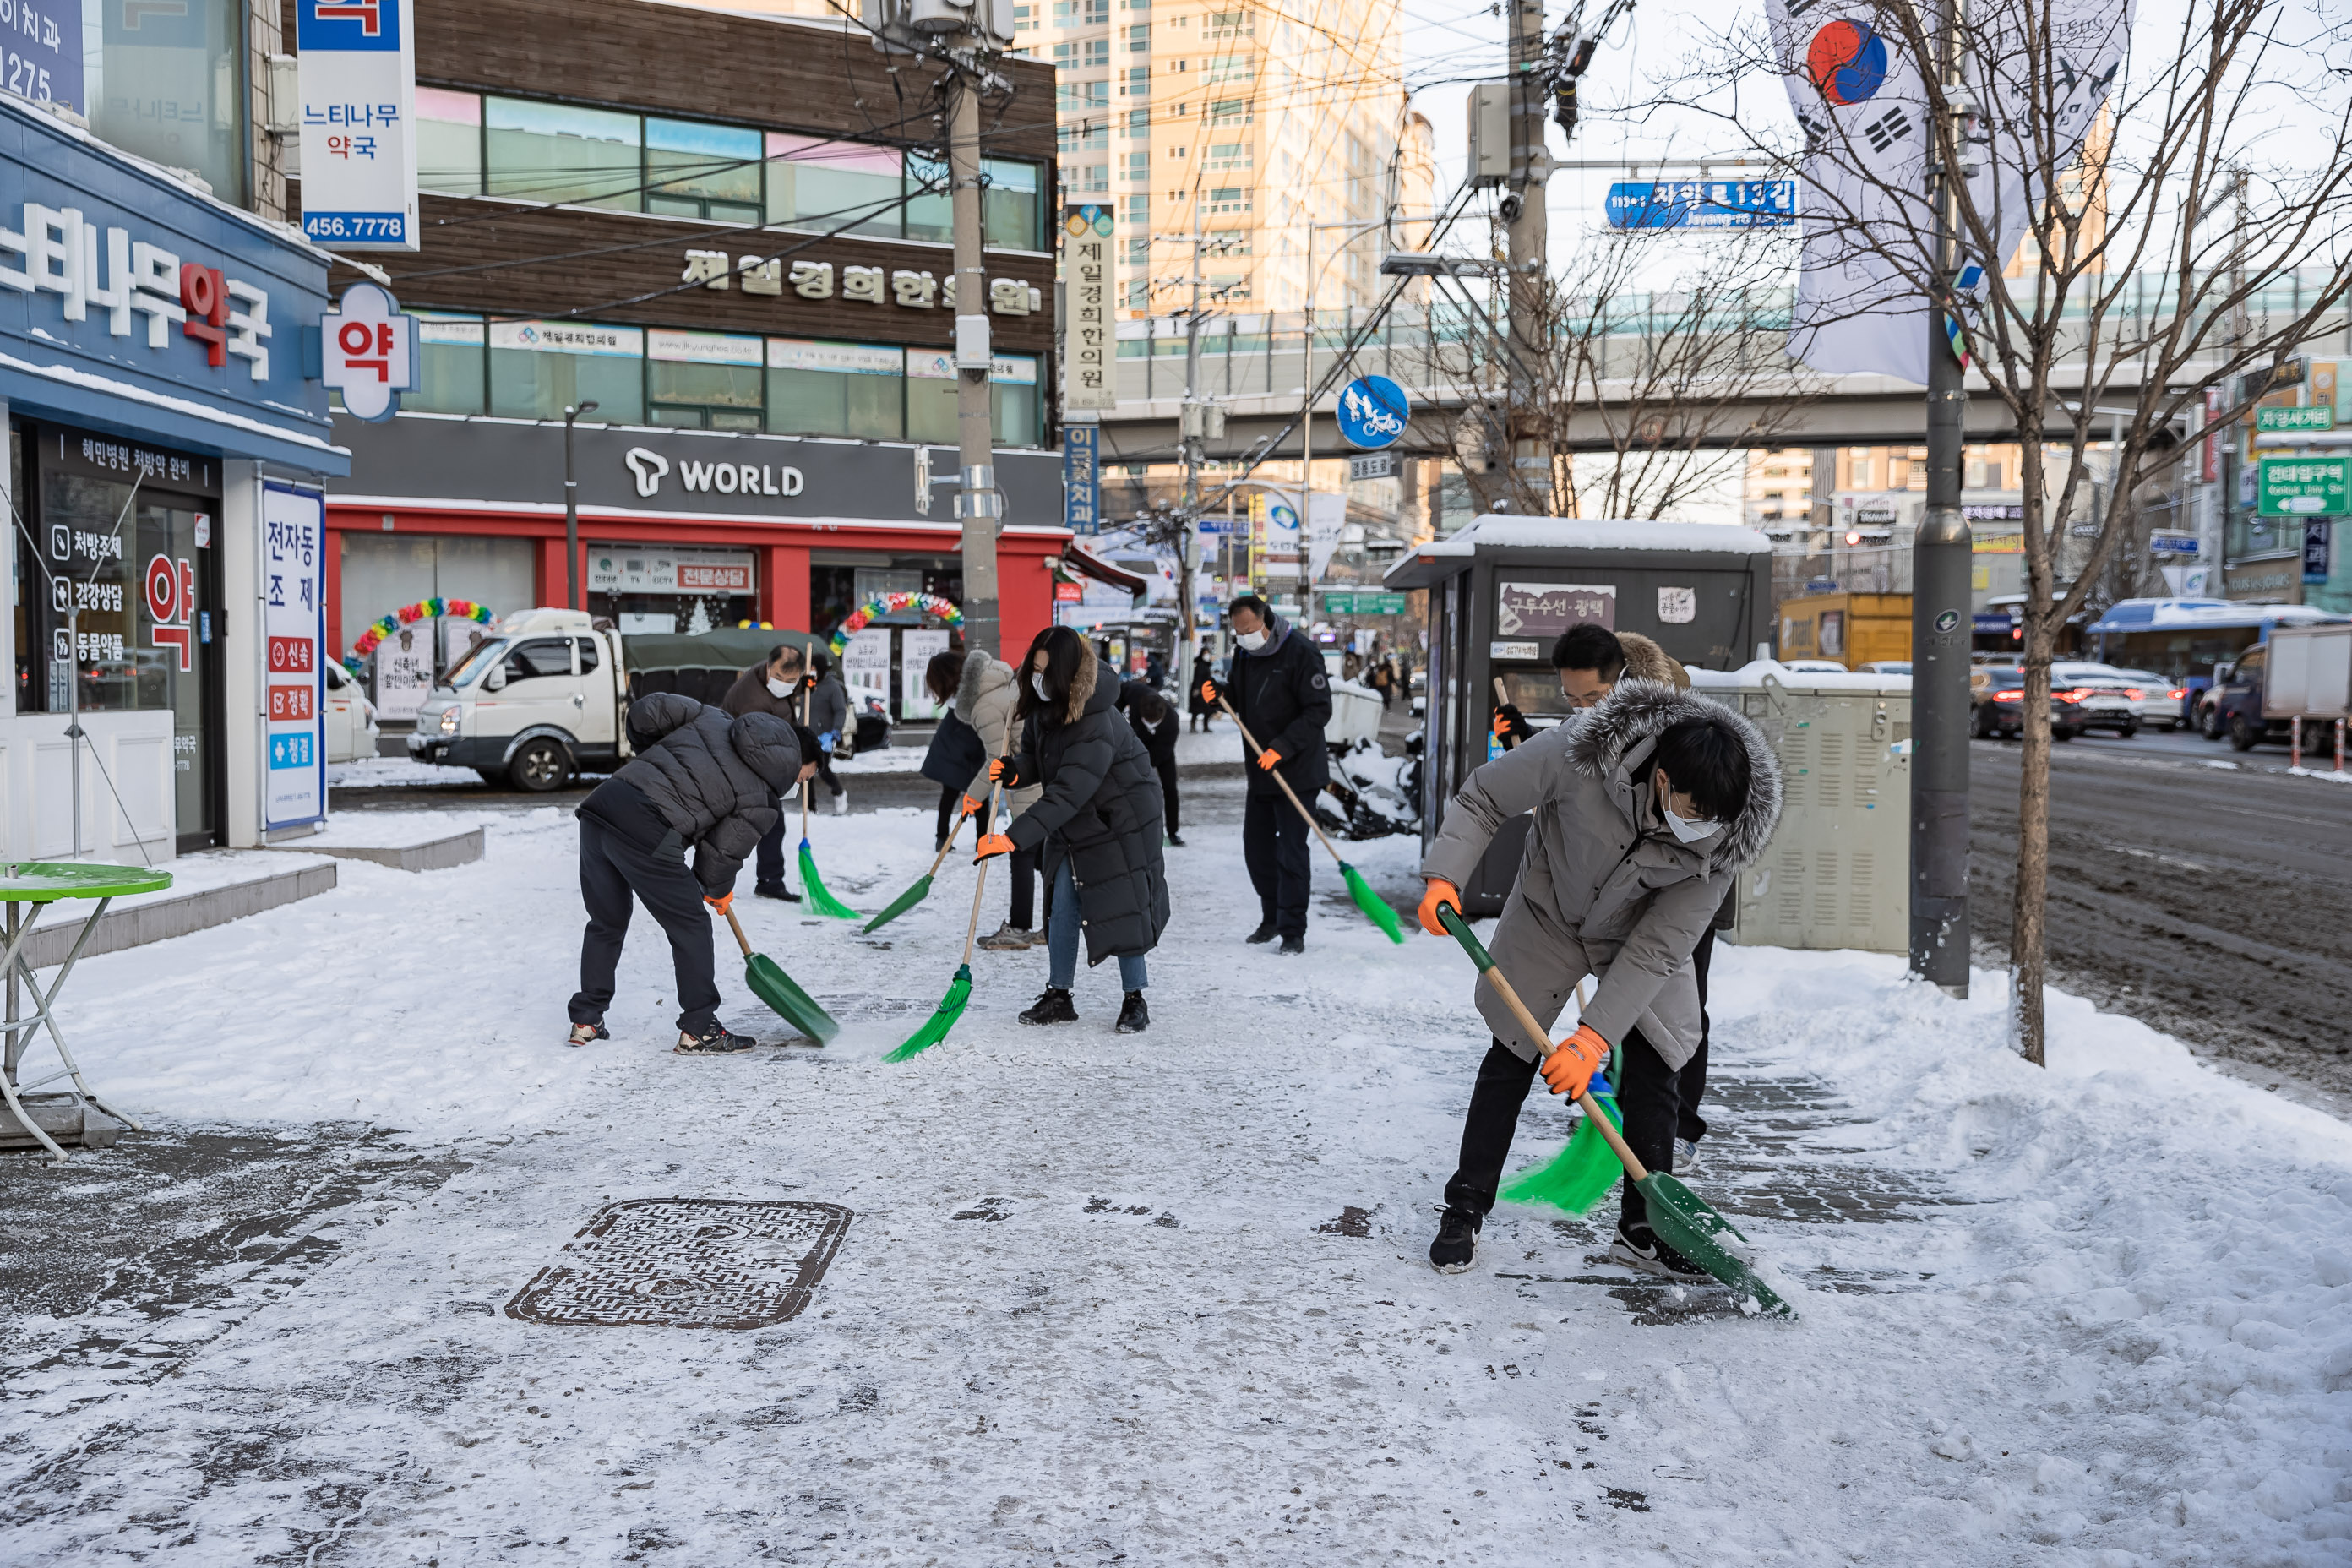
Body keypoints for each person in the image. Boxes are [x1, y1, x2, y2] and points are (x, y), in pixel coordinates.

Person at [1417, 670, 1781, 1281]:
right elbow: (1484, 797)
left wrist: (1591, 1039)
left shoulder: (1723, 843)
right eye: (1695, 813)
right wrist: (1444, 875)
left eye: (1717, 820)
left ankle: (1645, 1231)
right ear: (1662, 778)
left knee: (1659, 1063)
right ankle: (1465, 1206)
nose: (1704, 829)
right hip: (1550, 913)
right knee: (1511, 1054)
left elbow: (1659, 950)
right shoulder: (1578, 751)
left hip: (1636, 939)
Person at [569, 694, 816, 1054]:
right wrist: (715, 889)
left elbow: (644, 711)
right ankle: (700, 1027)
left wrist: (654, 763)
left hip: (602, 807)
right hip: (647, 829)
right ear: (794, 761)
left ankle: (587, 1019)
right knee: (692, 926)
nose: (798, 786)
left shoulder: (713, 718)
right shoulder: (763, 798)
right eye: (803, 778)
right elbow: (720, 857)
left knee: (606, 922)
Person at [981, 626, 1169, 1034]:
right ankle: (1059, 996)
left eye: (1046, 671)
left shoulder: (1095, 718)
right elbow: (1040, 760)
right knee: (1062, 903)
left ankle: (1135, 998)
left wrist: (1012, 838)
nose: (1037, 678)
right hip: (1076, 819)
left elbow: (1068, 789)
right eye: (1034, 668)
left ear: (1067, 673)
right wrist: (1015, 773)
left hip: (1121, 819)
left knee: (1122, 903)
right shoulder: (1044, 709)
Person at [1199, 594, 1331, 955]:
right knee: (1256, 849)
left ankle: (1292, 930)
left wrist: (1282, 748)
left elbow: (1319, 710)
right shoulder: (1245, 654)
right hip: (1261, 771)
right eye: (1239, 632)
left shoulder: (1302, 653)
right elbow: (1240, 699)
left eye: (1250, 630)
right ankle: (1270, 917)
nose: (1244, 637)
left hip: (1298, 770)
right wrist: (1218, 695)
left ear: (1266, 620)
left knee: (1291, 852)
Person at [954, 645, 1047, 951]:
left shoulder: (983, 706)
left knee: (1022, 853)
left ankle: (1020, 928)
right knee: (1047, 858)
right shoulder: (1007, 685)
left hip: (1029, 786)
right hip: (1042, 781)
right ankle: (1052, 924)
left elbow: (997, 758)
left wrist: (973, 795)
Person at [723, 643, 812, 901]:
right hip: (744, 763)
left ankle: (769, 880)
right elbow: (757, 749)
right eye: (780, 677)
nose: (784, 683)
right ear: (769, 666)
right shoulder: (755, 701)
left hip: (760, 756)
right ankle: (715, 882)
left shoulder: (769, 677)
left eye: (792, 679)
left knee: (771, 823)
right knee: (751, 825)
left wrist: (805, 687)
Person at [916, 650, 983, 851]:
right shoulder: (968, 693)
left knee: (956, 794)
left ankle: (950, 837)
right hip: (963, 747)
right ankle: (974, 839)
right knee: (975, 794)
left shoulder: (960, 695)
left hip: (959, 748)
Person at [1119, 678, 1183, 847]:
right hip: (1138, 743)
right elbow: (1122, 689)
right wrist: (1115, 714)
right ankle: (1132, 827)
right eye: (1145, 721)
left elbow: (1159, 755)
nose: (1148, 724)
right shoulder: (1137, 694)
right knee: (1130, 787)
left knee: (1169, 788)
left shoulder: (1172, 723)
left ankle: (1173, 831)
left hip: (1163, 752)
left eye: (1152, 723)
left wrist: (1143, 768)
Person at [805, 652, 850, 815]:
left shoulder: (833, 687)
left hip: (825, 736)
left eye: (813, 667)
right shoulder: (809, 682)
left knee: (822, 769)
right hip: (808, 734)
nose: (811, 670)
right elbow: (804, 704)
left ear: (820, 668)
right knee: (806, 771)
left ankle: (839, 793)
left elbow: (840, 711)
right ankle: (810, 807)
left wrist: (835, 731)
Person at [1189, 641, 1217, 732]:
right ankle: (1193, 727)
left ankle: (1205, 726)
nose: (1207, 655)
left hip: (1206, 690)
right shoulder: (1201, 665)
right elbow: (1198, 677)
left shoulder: (1206, 665)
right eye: (1205, 653)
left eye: (1208, 653)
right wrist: (1197, 689)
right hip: (1199, 690)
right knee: (1196, 710)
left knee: (1207, 710)